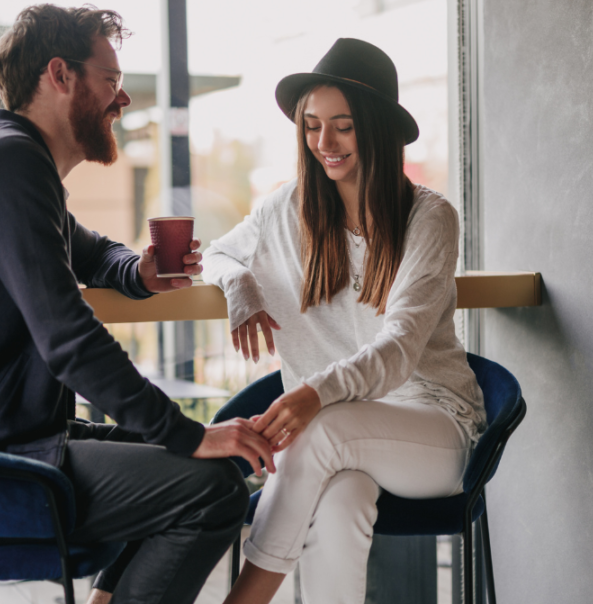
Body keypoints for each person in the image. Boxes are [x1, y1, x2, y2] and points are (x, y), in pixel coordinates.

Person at [0, 4, 275, 604]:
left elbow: (93, 253)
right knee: (211, 490)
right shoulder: (8, 163)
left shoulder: (17, 164)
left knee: (219, 473)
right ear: (60, 75)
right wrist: (184, 432)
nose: (121, 102)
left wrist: (141, 272)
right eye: (111, 82)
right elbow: (68, 336)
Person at [201, 38, 487, 604]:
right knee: (340, 505)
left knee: (322, 429)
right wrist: (239, 285)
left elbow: (400, 347)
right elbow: (219, 253)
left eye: (343, 126)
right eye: (311, 125)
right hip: (344, 439)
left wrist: (314, 394)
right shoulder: (285, 209)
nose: (323, 143)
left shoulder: (428, 218)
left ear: (376, 128)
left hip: (434, 425)